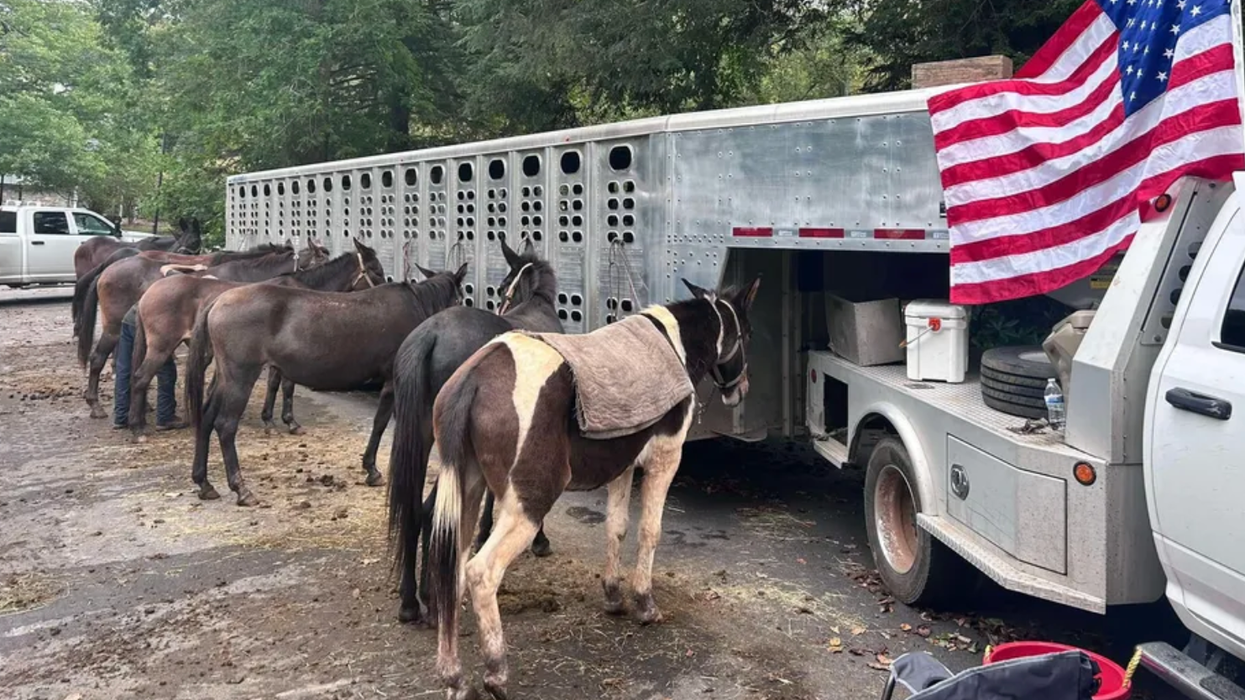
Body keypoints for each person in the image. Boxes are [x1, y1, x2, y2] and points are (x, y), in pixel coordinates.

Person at [114, 304, 187, 432]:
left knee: (124, 369)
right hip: (153, 320)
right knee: (165, 370)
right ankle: (165, 416)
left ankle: (121, 416)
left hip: (130, 317)